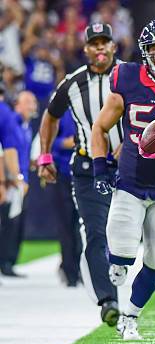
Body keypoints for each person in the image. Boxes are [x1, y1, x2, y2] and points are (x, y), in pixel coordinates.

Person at [91, 19, 155, 340]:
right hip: (131, 181)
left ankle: (130, 316)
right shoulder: (127, 77)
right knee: (120, 261)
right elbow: (100, 127)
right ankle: (115, 265)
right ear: (145, 52)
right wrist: (100, 166)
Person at [37, 23, 122, 326]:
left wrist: (131, 141)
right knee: (96, 234)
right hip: (88, 169)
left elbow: (153, 108)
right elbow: (50, 116)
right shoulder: (72, 83)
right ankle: (108, 300)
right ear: (85, 49)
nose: (100, 48)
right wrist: (45, 155)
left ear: (114, 46)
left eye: (104, 43)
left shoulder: (130, 75)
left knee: (129, 236)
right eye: (94, 44)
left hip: (129, 168)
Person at [0, 91, 37, 277]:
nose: (33, 106)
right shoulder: (10, 120)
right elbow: (7, 150)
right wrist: (13, 178)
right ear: (17, 104)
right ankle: (5, 263)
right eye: (28, 102)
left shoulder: (26, 125)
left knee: (15, 223)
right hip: (11, 181)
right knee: (8, 223)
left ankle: (9, 262)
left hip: (20, 180)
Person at [48, 111, 82, 287]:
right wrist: (65, 143)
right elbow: (48, 141)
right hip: (63, 174)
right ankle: (69, 270)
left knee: (85, 226)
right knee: (66, 224)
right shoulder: (61, 112)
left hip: (85, 174)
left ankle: (84, 269)